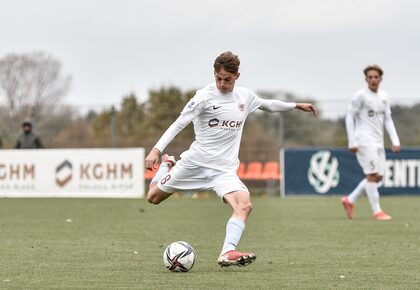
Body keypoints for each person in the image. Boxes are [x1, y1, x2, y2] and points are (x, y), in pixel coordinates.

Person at [145, 51, 317, 267]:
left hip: (223, 171)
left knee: (244, 205)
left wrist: (295, 106)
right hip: (195, 163)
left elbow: (268, 104)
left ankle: (227, 252)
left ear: (237, 76)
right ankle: (167, 166)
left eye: (227, 79)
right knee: (153, 198)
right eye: (218, 78)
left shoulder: (245, 97)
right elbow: (179, 123)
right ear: (214, 74)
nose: (222, 84)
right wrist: (156, 150)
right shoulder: (203, 97)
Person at [342, 65, 400, 221]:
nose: (373, 79)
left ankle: (350, 200)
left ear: (380, 78)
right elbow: (349, 117)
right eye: (370, 77)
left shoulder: (384, 97)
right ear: (366, 79)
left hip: (378, 142)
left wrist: (395, 140)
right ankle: (377, 212)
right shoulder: (360, 96)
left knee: (378, 177)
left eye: (376, 77)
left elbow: (387, 119)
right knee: (372, 175)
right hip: (364, 140)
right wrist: (352, 140)